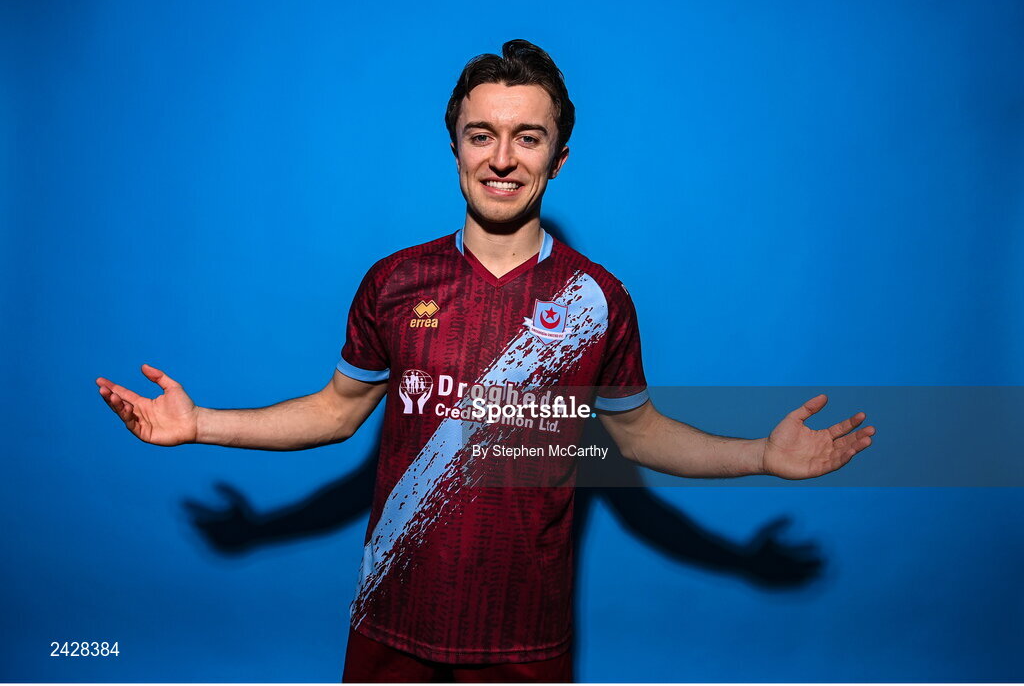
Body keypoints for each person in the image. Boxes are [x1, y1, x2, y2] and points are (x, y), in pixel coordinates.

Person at [96, 39, 875, 683]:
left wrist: (763, 456)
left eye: (527, 137)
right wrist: (200, 423)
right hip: (391, 624)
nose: (503, 158)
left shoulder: (597, 300)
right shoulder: (394, 282)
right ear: (456, 146)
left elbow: (637, 435)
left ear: (558, 158)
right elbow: (336, 410)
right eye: (482, 134)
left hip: (523, 642)